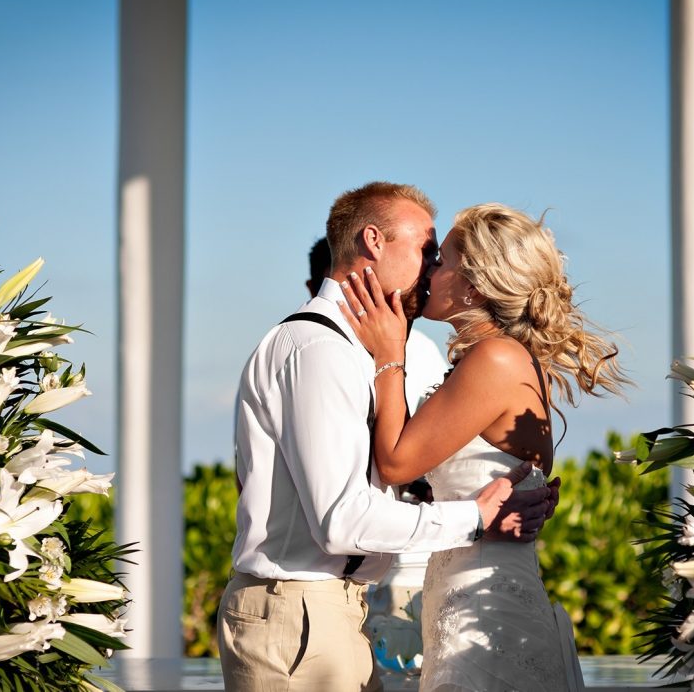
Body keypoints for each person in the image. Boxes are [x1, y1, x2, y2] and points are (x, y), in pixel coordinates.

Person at [218, 183, 559, 692]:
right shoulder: (317, 347)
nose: (429, 267)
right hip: (299, 610)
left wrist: (521, 494)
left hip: (339, 613)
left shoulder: (374, 349)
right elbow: (342, 519)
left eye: (437, 256)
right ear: (374, 241)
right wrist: (477, 516)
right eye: (427, 249)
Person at [340, 202, 629, 691]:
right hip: (470, 589)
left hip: (483, 606)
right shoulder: (499, 359)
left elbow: (394, 462)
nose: (430, 270)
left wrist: (390, 354)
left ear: (473, 284)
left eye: (442, 260)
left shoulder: (495, 358)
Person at [306, 236, 443, 623]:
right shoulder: (312, 347)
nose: (430, 272)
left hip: (413, 567)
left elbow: (407, 461)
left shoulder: (423, 352)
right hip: (354, 574)